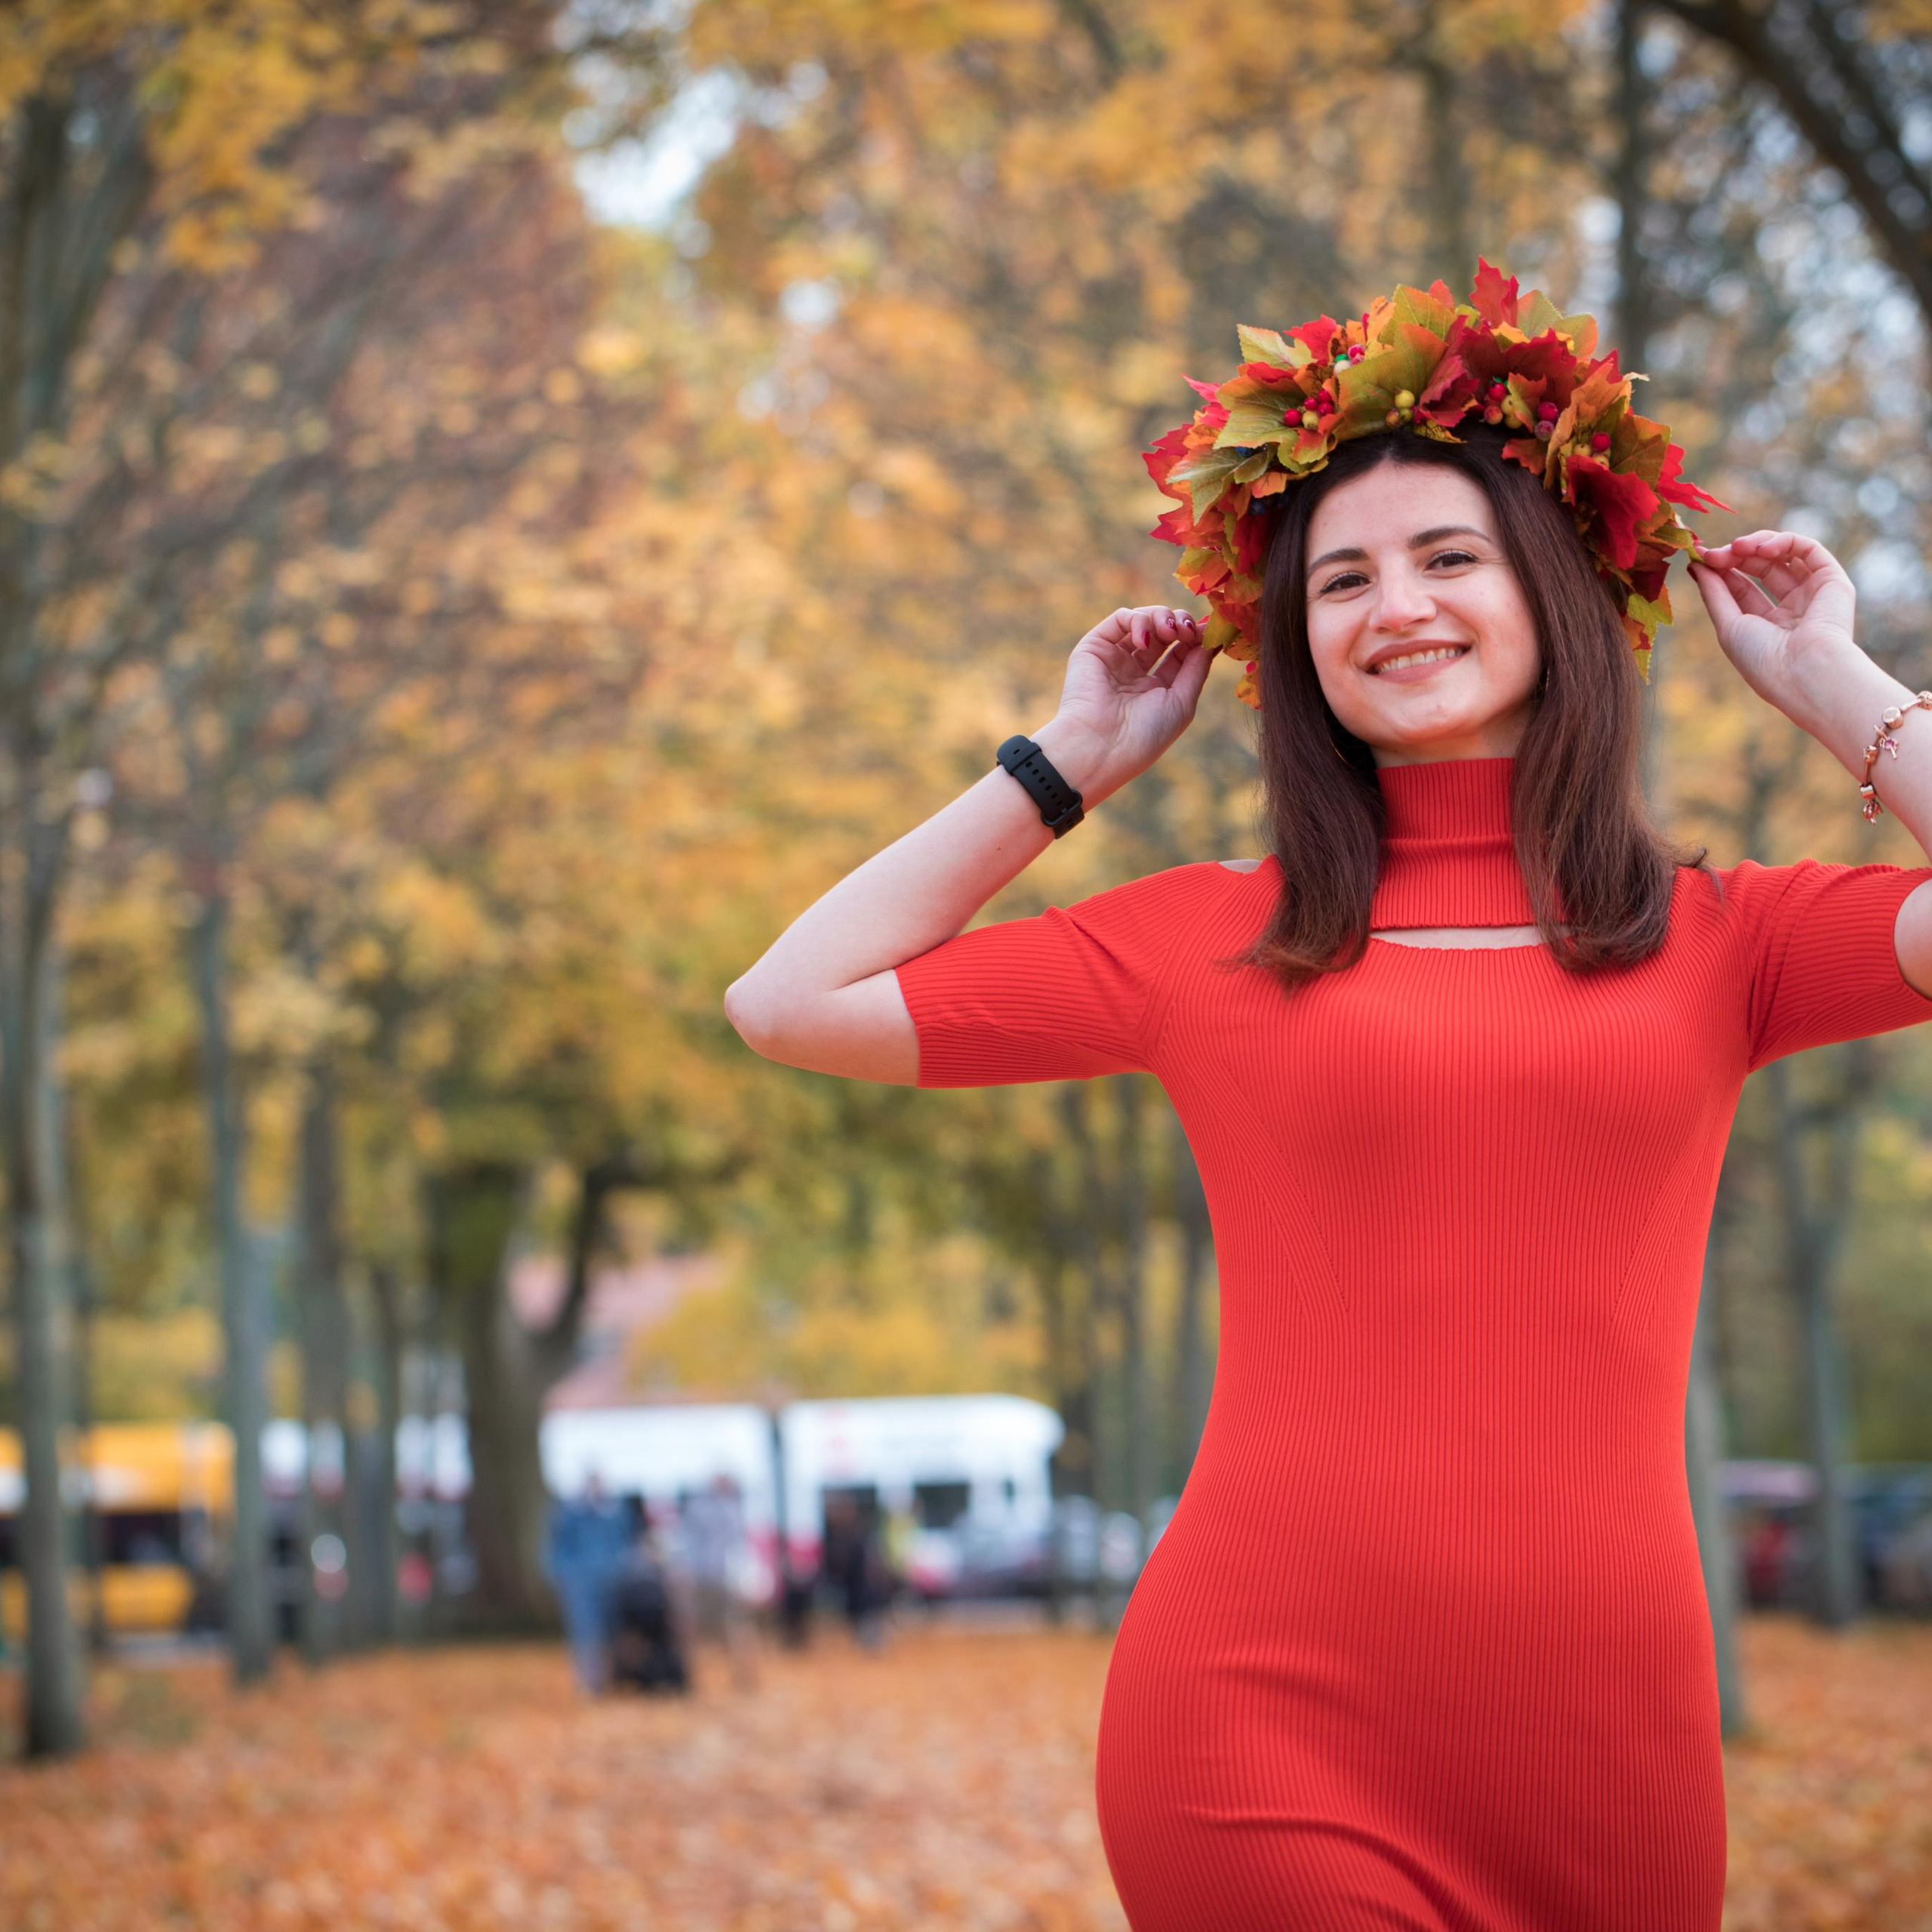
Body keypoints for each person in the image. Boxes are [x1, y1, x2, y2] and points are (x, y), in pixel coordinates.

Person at [722, 261, 1932, 1931]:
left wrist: (1826, 685)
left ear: (1558, 592)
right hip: (1257, 1712)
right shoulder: (1204, 936)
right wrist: (1061, 764)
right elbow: (787, 1000)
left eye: (1449, 557)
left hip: (1608, 1735)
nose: (1395, 607)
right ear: (1291, 641)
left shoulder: (1724, 941)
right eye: (1338, 580)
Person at [543, 1469, 628, 1695]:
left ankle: (614, 1679)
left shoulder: (614, 1512)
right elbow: (557, 1547)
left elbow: (624, 1542)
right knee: (586, 1633)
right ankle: (588, 1683)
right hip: (581, 1582)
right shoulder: (570, 1513)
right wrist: (565, 1574)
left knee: (613, 1632)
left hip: (612, 1580)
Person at [678, 1472, 758, 1688]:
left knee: (735, 1629)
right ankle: (690, 1679)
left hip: (725, 1579)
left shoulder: (733, 1509)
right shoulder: (701, 1509)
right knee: (696, 1630)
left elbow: (740, 1547)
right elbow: (690, 1544)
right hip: (704, 1579)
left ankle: (743, 1676)